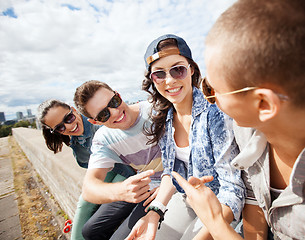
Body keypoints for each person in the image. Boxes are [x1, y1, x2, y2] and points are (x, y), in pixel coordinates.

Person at [172, 0, 305, 239]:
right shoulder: (247, 130)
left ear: (263, 104)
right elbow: (255, 207)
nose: (207, 97)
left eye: (212, 90)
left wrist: (214, 220)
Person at [126, 34, 245, 240]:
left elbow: (233, 189)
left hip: (219, 206)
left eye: (177, 69)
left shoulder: (215, 114)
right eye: (159, 74)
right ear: (153, 81)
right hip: (185, 199)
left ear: (191, 69)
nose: (170, 80)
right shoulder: (164, 119)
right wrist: (155, 212)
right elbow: (172, 173)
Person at [73, 80, 163, 240]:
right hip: (144, 187)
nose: (115, 112)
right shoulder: (104, 138)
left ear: (119, 95)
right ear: (96, 122)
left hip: (166, 186)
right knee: (89, 231)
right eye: (103, 114)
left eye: (114, 102)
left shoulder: (156, 111)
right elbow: (88, 189)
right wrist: (121, 191)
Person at [37, 100, 135, 240]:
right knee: (84, 204)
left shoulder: (99, 123)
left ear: (74, 110)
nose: (69, 126)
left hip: (127, 170)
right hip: (111, 170)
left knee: (92, 226)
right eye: (60, 128)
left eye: (68, 118)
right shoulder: (76, 142)